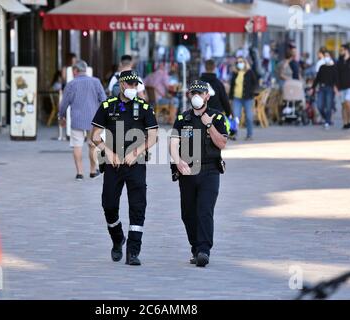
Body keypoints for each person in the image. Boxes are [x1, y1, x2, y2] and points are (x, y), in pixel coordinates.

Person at [90, 70, 158, 266]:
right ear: (121, 85)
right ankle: (118, 238)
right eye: (129, 85)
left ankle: (133, 252)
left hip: (136, 165)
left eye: (136, 85)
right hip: (113, 165)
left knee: (138, 207)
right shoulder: (107, 106)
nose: (133, 89)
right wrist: (108, 152)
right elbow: (94, 136)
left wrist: (135, 152)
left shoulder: (144, 107)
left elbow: (153, 137)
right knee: (109, 205)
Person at [170, 80, 228, 267]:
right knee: (187, 214)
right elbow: (173, 143)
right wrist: (177, 160)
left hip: (210, 170)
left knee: (204, 211)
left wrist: (209, 126)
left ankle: (204, 250)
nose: (197, 96)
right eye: (193, 92)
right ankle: (195, 247)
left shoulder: (217, 118)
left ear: (207, 96)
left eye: (200, 93)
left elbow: (222, 144)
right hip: (187, 171)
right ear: (189, 95)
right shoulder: (182, 118)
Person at [58, 60, 107, 181]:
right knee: (93, 145)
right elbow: (104, 100)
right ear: (85, 70)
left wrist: (61, 116)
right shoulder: (96, 82)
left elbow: (64, 103)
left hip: (77, 120)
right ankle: (92, 171)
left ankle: (79, 173)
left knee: (77, 145)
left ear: (75, 71)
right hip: (94, 120)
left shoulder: (71, 84)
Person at [229, 57, 257, 140]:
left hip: (248, 98)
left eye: (241, 62)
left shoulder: (250, 72)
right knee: (236, 116)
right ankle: (234, 134)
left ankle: (249, 134)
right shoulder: (235, 73)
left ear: (245, 62)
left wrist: (252, 92)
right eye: (237, 62)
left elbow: (255, 83)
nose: (239, 63)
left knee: (249, 117)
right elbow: (232, 86)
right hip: (237, 98)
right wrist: (230, 98)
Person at [311, 51, 339, 129]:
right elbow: (317, 79)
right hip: (321, 88)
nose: (326, 57)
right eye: (325, 56)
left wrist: (336, 87)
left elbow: (336, 79)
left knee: (328, 105)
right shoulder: (322, 67)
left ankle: (327, 121)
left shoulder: (334, 67)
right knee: (319, 105)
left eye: (328, 56)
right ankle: (326, 117)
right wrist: (312, 88)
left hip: (330, 88)